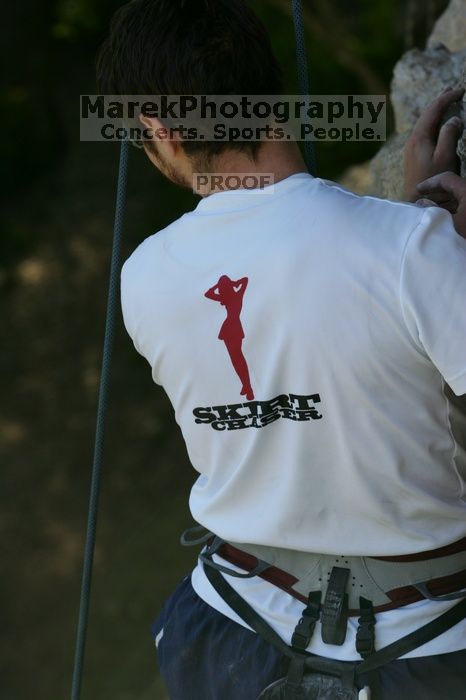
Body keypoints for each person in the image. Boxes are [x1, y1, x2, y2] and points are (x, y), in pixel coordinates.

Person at [97, 1, 466, 698]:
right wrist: (434, 240)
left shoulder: (143, 278)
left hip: (231, 637)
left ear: (158, 129)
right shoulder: (411, 252)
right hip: (426, 644)